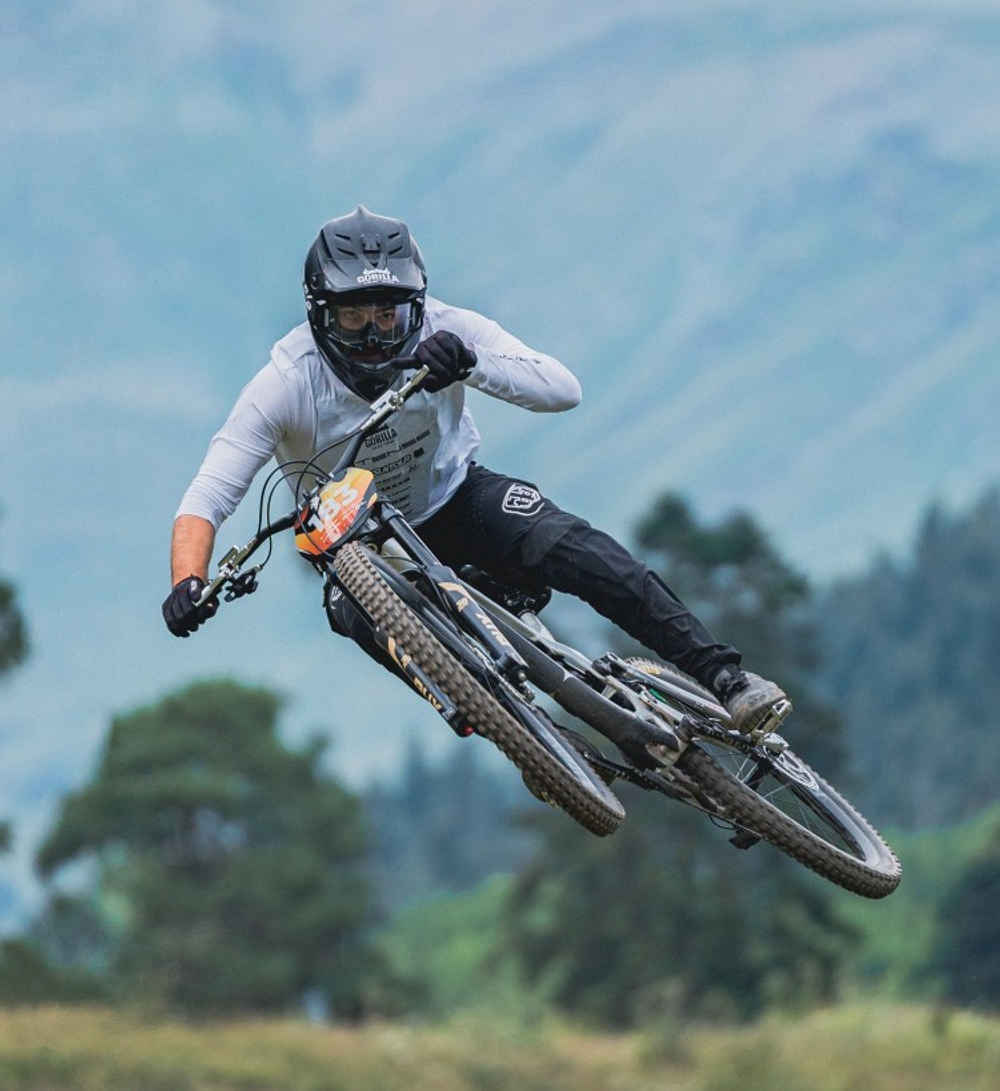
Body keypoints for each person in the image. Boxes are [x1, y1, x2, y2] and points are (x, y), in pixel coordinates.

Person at [162, 205, 787, 735]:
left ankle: (725, 679)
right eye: (354, 316)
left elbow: (562, 389)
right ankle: (496, 721)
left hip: (459, 500)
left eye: (389, 314)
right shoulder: (284, 383)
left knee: (586, 553)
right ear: (321, 314)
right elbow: (208, 496)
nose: (374, 335)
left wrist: (471, 364)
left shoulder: (446, 327)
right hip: (359, 546)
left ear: (416, 305)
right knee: (355, 612)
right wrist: (188, 580)